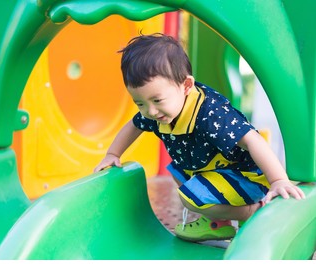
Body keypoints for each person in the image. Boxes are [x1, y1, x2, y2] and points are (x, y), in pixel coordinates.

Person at [94, 33, 305, 242]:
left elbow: (253, 139)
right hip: (213, 170)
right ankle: (218, 224)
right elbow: (134, 124)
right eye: (139, 102)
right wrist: (113, 154)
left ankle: (252, 213)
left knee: (191, 198)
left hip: (246, 176)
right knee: (177, 171)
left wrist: (278, 180)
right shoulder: (157, 110)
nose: (149, 110)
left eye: (157, 100)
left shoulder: (209, 114)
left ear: (186, 86)